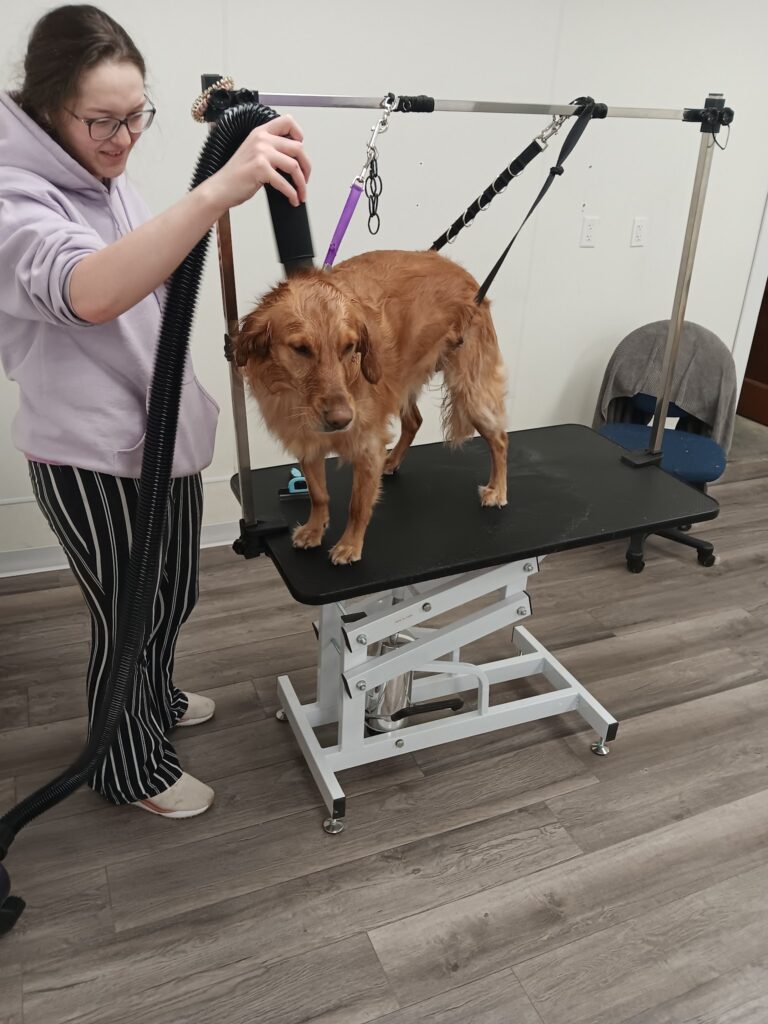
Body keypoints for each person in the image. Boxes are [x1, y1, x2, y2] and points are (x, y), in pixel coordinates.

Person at [0, 4, 311, 817]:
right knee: (127, 615)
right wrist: (216, 192)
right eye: (102, 120)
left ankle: (154, 700)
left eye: (136, 116)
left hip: (157, 430)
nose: (123, 138)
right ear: (48, 106)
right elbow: (88, 291)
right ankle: (128, 765)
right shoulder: (15, 193)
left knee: (173, 593)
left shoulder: (99, 174)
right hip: (90, 455)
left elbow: (151, 269)